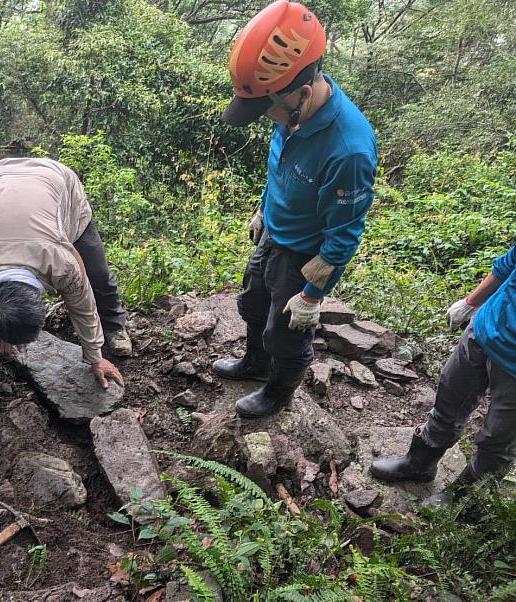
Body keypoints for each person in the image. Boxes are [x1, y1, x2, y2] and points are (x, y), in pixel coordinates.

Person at [212, 0, 377, 417]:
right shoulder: (289, 113)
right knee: (252, 302)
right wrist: (263, 209)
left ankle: (278, 393)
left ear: (302, 93)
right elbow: (280, 171)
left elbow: (344, 233)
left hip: (305, 252)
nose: (267, 119)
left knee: (287, 332)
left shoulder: (348, 150)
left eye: (268, 109)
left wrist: (313, 293)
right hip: (274, 231)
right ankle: (254, 364)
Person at [0, 154, 130, 389]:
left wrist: (95, 357)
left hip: (57, 181)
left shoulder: (61, 264)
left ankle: (114, 326)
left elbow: (82, 305)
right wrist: (4, 330)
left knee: (97, 274)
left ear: (39, 302)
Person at [371, 243, 516, 506]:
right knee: (449, 400)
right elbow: (509, 262)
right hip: (484, 329)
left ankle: (463, 499)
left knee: (498, 440)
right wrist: (470, 303)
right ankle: (419, 463)